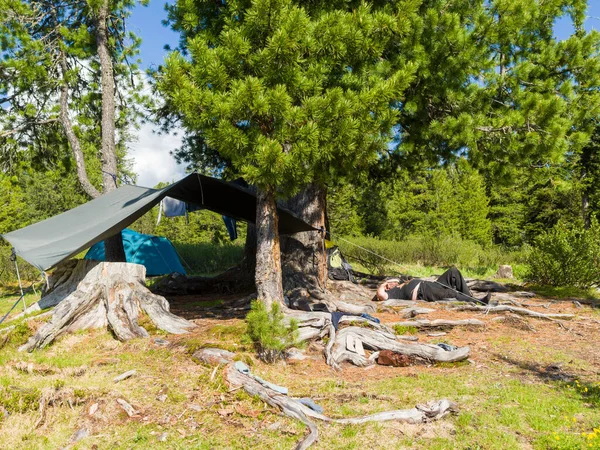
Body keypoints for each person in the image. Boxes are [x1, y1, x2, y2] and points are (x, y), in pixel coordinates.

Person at [375, 267, 491, 304]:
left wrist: (399, 281)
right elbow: (380, 294)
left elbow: (399, 280)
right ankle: (479, 302)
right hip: (423, 292)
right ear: (387, 287)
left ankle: (469, 297)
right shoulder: (390, 294)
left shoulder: (401, 284)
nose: (393, 283)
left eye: (393, 282)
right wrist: (384, 284)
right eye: (390, 283)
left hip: (432, 285)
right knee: (451, 293)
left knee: (453, 271)